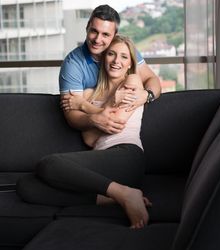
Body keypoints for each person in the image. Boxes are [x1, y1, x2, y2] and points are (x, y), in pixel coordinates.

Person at [33, 35, 152, 229]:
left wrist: (84, 106)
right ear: (104, 58)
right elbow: (89, 138)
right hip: (103, 165)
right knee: (28, 187)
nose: (116, 61)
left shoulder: (132, 82)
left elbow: (117, 122)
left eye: (123, 56)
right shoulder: (90, 92)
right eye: (111, 54)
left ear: (131, 63)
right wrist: (107, 104)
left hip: (126, 157)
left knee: (49, 164)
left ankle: (126, 194)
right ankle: (116, 196)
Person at [59, 4, 161, 136]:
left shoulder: (124, 51)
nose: (97, 39)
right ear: (87, 27)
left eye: (105, 34)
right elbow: (72, 116)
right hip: (90, 136)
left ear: (114, 35)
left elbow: (151, 79)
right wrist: (95, 120)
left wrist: (147, 95)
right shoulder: (73, 64)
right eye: (94, 31)